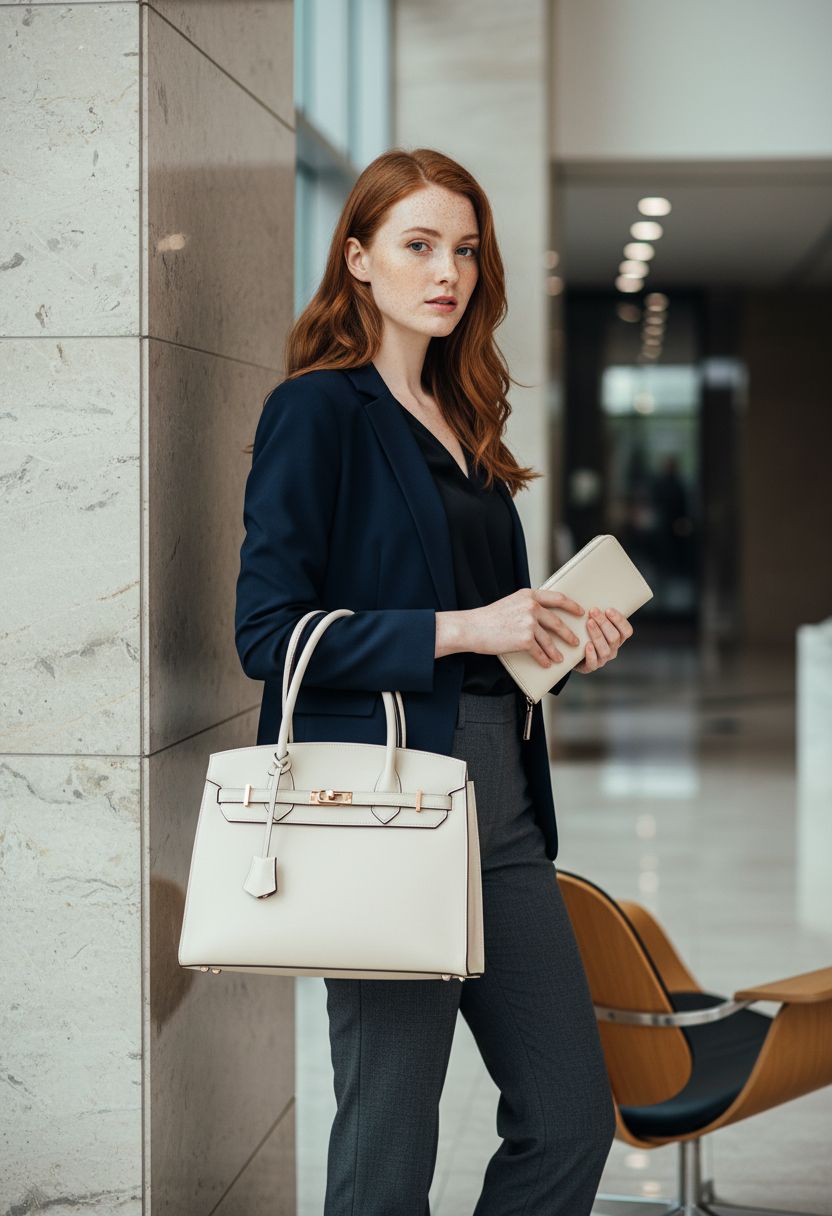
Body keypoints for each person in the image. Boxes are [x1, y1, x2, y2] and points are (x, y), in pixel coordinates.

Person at [235, 147, 633, 1216]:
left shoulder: (465, 422)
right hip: (387, 811)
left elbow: (485, 645)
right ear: (357, 258)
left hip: (500, 808)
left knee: (567, 1119)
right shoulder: (318, 412)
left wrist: (550, 640)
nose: (445, 269)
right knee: (389, 1138)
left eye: (462, 248)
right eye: (417, 245)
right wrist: (467, 626)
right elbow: (267, 632)